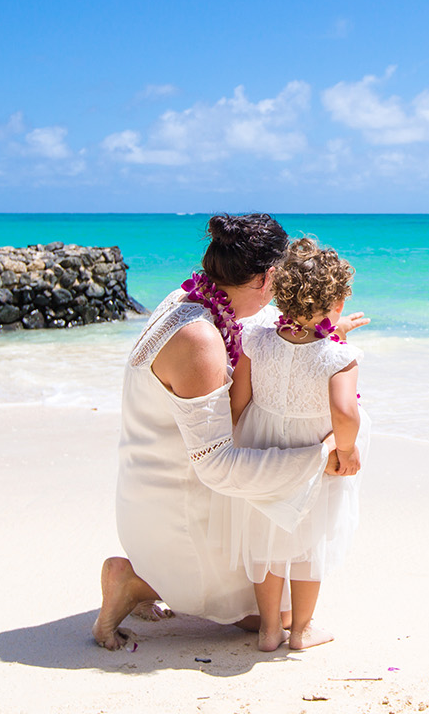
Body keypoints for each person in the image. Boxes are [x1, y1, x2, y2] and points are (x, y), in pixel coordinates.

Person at [92, 213, 366, 650]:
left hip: (147, 496)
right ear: (269, 277)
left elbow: (267, 339)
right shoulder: (199, 337)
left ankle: (150, 576)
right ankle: (141, 582)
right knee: (284, 610)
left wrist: (324, 333)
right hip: (177, 518)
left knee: (279, 583)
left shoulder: (191, 299)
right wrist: (320, 457)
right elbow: (216, 468)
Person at [212, 238, 372, 651]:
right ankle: (301, 629)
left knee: (265, 538)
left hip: (262, 446)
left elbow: (239, 397)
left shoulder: (257, 339)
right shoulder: (339, 357)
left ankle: (268, 630)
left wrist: (232, 437)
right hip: (311, 454)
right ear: (336, 303)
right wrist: (346, 449)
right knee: (308, 541)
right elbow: (345, 413)